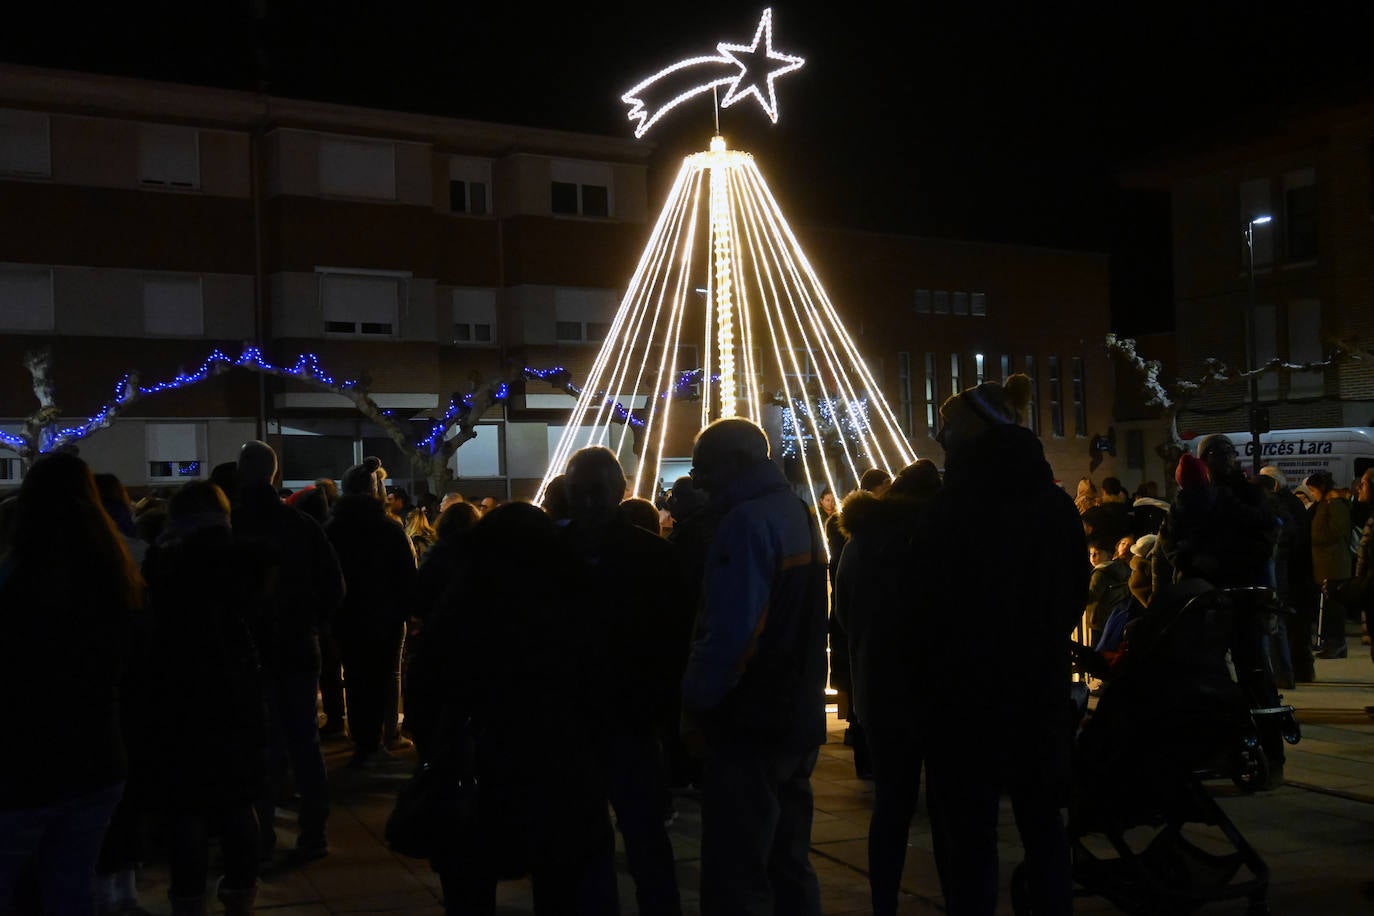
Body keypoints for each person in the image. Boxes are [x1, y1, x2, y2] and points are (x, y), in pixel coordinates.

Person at [918, 374, 1087, 916]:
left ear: (971, 432)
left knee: (968, 828)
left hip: (966, 692)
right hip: (1037, 685)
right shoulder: (1054, 506)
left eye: (948, 424)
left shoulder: (953, 509)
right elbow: (1071, 591)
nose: (939, 435)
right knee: (1042, 821)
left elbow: (928, 601)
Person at [406, 503, 618, 914]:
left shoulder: (468, 592)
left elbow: (430, 677)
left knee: (470, 877)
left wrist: (435, 746)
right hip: (555, 760)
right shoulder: (569, 594)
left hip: (479, 758)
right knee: (559, 878)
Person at [681, 418, 829, 915]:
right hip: (796, 712)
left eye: (705, 468)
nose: (699, 481)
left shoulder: (745, 523)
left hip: (751, 720)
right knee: (789, 860)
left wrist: (698, 702)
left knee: (736, 868)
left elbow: (733, 629)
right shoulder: (796, 511)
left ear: (737, 462)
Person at [0, 453, 144, 916]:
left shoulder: (15, 581)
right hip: (97, 754)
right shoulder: (117, 577)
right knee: (72, 887)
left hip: (22, 762)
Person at [563, 446, 691, 915]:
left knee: (641, 833)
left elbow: (674, 640)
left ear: (618, 493)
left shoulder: (651, 556)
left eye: (597, 492)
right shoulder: (556, 554)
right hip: (581, 718)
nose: (588, 503)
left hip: (628, 717)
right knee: (595, 835)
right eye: (580, 493)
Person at [142, 481, 266, 916]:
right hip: (235, 692)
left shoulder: (159, 559)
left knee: (186, 807)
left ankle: (188, 901)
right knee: (236, 802)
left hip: (176, 694)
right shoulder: (244, 556)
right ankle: (240, 895)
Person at [832, 459, 943, 916]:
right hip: (938, 687)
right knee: (951, 808)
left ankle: (883, 900)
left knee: (892, 804)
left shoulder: (860, 542)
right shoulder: (935, 539)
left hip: (880, 686)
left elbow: (845, 614)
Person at [233, 440, 344, 862]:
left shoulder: (230, 525)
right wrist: (312, 622)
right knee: (304, 741)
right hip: (298, 646)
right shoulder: (301, 525)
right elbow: (334, 587)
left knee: (256, 743)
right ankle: (313, 833)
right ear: (275, 475)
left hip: (246, 652)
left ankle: (259, 836)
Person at [325, 456, 418, 767]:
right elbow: (408, 574)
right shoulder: (389, 529)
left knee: (354, 677)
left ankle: (363, 739)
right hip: (386, 617)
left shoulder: (333, 528)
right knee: (385, 677)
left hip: (346, 616)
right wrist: (408, 610)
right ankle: (381, 737)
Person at [1308, 470, 1352, 659]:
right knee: (1328, 606)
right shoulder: (1324, 504)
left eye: (1313, 490)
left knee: (1334, 607)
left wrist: (1314, 538)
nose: (1312, 494)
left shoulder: (1333, 504)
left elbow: (1336, 530)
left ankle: (1337, 643)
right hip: (1326, 563)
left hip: (1333, 564)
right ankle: (1332, 642)